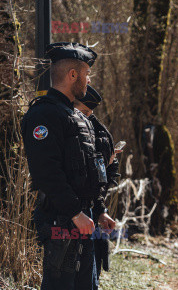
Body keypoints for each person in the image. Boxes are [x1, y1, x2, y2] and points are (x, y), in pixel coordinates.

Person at [22, 42, 115, 290]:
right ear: (72, 75)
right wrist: (75, 213)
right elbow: (46, 173)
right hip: (61, 224)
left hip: (84, 221)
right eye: (86, 74)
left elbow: (89, 171)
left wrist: (99, 209)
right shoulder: (44, 115)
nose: (88, 81)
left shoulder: (77, 117)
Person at [74, 85, 122, 282]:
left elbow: (105, 177)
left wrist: (101, 209)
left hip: (91, 212)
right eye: (83, 112)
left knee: (90, 278)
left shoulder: (97, 129)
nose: (88, 117)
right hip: (72, 212)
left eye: (90, 113)